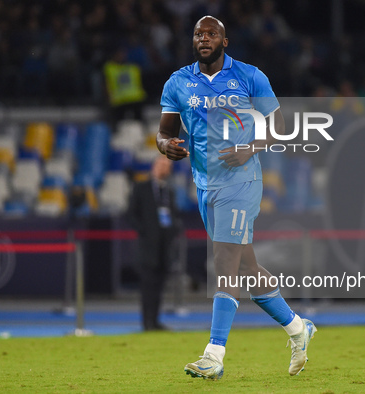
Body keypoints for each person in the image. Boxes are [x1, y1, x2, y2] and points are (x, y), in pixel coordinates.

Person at [156, 16, 316, 380]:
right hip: (205, 184)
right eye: (199, 34)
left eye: (211, 33)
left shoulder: (249, 76)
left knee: (224, 263)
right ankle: (296, 329)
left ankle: (214, 354)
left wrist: (250, 148)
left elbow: (279, 128)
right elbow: (164, 132)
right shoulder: (178, 82)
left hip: (242, 181)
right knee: (245, 268)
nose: (204, 38)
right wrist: (167, 146)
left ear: (224, 41)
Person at [128, 156, 179, 331]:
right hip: (148, 247)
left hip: (165, 246)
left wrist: (173, 230)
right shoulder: (141, 188)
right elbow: (131, 214)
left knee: (159, 285)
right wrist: (145, 231)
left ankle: (155, 321)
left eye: (168, 166)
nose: (165, 169)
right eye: (163, 165)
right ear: (154, 166)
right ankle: (147, 322)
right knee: (148, 286)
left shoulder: (169, 191)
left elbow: (173, 215)